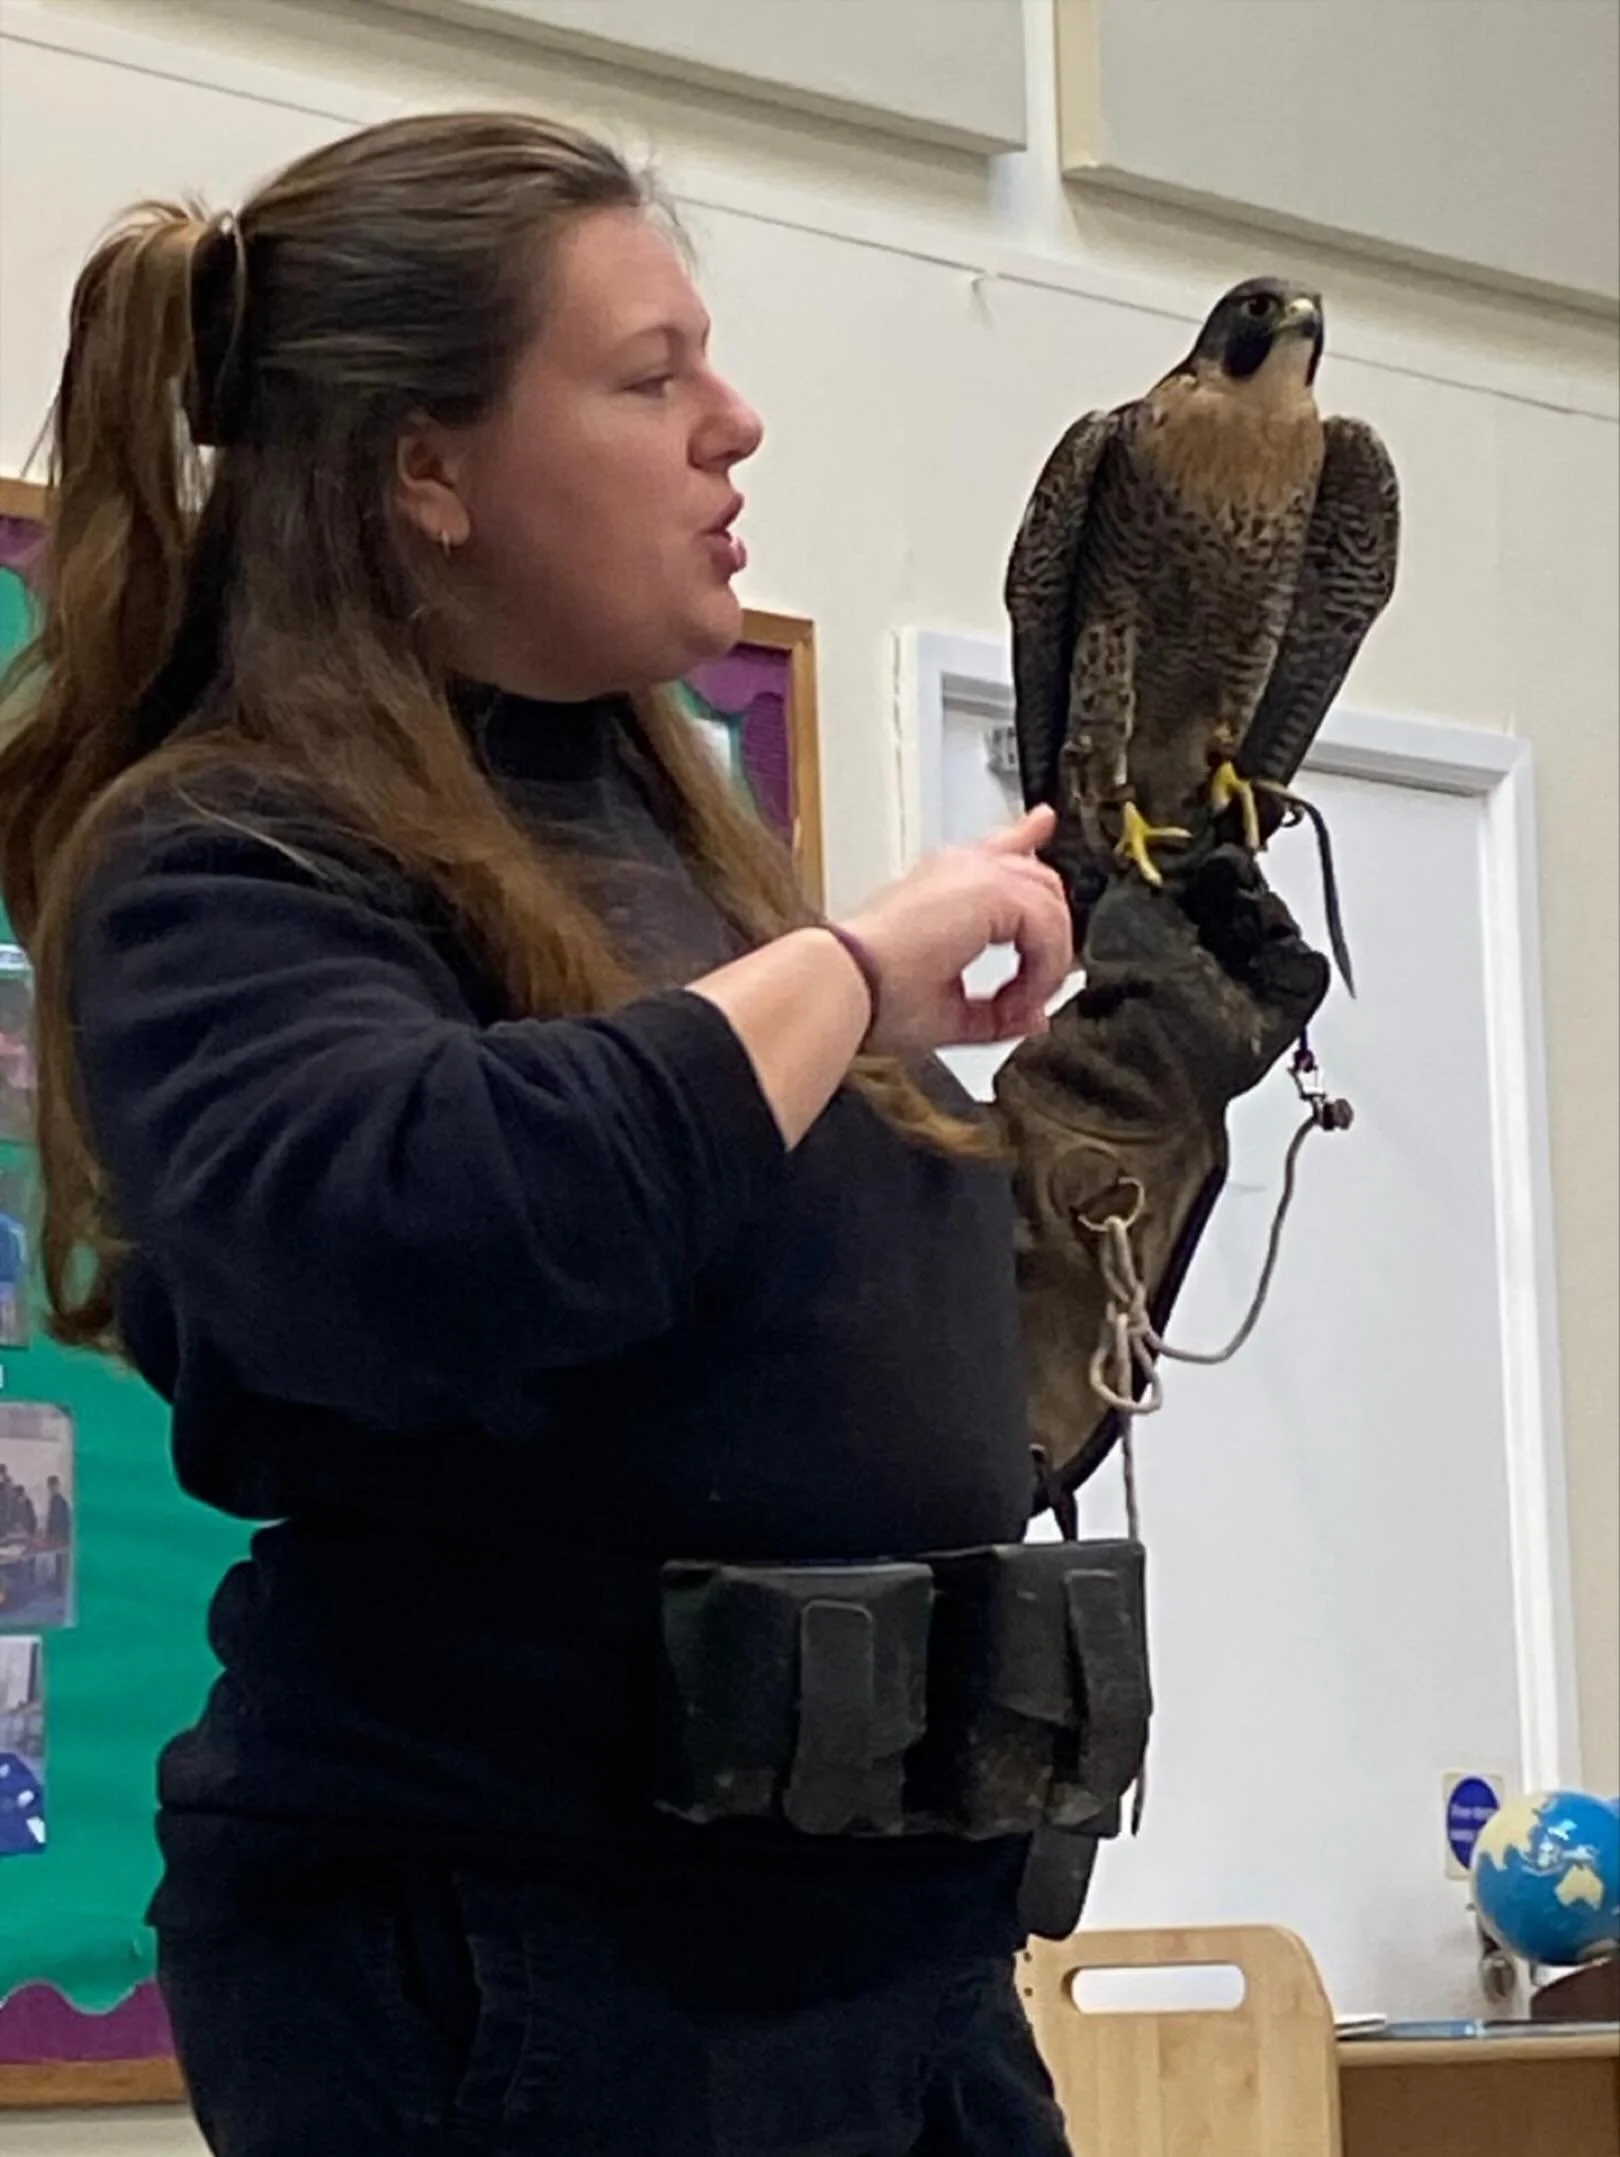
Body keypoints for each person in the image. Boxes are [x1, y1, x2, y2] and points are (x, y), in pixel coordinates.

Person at [0, 114, 1322, 2155]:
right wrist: (855, 977)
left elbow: (880, 1375)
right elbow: (439, 1227)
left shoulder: (660, 859)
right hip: (538, 1967)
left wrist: (1142, 1052)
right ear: (422, 470)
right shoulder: (223, 850)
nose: (739, 423)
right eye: (648, 376)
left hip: (884, 1962)